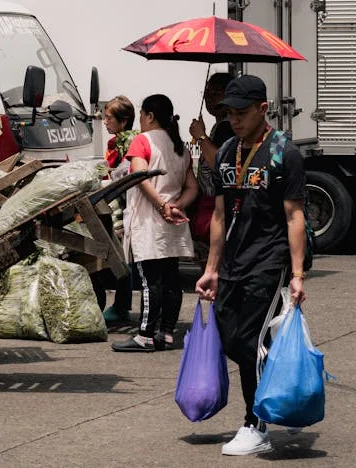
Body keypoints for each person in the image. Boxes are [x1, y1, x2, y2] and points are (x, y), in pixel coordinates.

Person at [195, 75, 307, 456]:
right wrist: (211, 268)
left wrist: (296, 275)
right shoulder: (227, 150)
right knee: (234, 341)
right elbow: (220, 214)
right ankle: (277, 389)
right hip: (233, 262)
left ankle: (256, 424)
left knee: (250, 340)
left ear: (263, 109)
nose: (235, 120)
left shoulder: (283, 153)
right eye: (229, 113)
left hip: (268, 262)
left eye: (242, 113)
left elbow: (294, 217)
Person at [111, 94, 198, 352]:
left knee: (150, 281)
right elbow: (192, 187)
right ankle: (167, 333)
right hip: (175, 222)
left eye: (141, 115)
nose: (140, 120)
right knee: (172, 279)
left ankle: (146, 335)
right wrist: (177, 205)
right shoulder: (179, 146)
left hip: (151, 221)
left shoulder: (143, 140)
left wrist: (162, 206)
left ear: (150, 116)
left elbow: (140, 176)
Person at [188, 73, 236, 259]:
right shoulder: (220, 126)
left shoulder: (226, 127)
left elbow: (219, 163)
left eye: (216, 93)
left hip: (218, 204)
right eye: (207, 92)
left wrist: (201, 136)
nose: (209, 98)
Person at [101, 96, 139, 324]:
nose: (105, 122)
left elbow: (119, 171)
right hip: (127, 204)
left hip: (124, 205)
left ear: (123, 122)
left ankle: (121, 305)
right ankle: (121, 305)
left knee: (125, 257)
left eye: (109, 118)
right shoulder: (128, 140)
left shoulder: (124, 143)